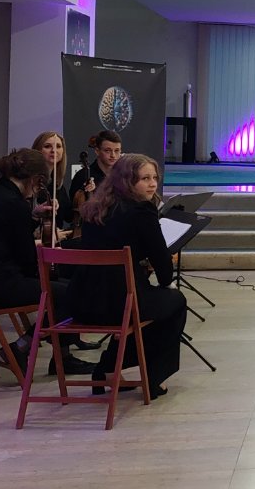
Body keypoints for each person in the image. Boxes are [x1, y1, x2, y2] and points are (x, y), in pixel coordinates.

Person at [0, 149, 92, 376]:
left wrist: (32, 218)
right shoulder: (14, 204)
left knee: (68, 288)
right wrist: (50, 266)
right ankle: (24, 348)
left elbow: (8, 237)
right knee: (74, 292)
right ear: (36, 180)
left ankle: (52, 355)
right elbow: (26, 260)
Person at [69, 152, 185, 400]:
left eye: (154, 178)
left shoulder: (93, 209)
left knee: (142, 309)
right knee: (173, 302)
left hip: (82, 302)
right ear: (126, 181)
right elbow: (165, 274)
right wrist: (159, 266)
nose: (152, 184)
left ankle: (107, 370)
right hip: (120, 304)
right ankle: (153, 377)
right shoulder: (142, 211)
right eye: (144, 179)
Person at [30, 131, 75, 243]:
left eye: (58, 146)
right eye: (47, 146)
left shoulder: (57, 185)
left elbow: (69, 216)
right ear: (37, 150)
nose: (54, 150)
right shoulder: (30, 182)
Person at [67, 130, 122, 215]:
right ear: (97, 151)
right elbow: (73, 211)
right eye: (107, 150)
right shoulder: (83, 176)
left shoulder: (123, 176)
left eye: (117, 150)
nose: (113, 155)